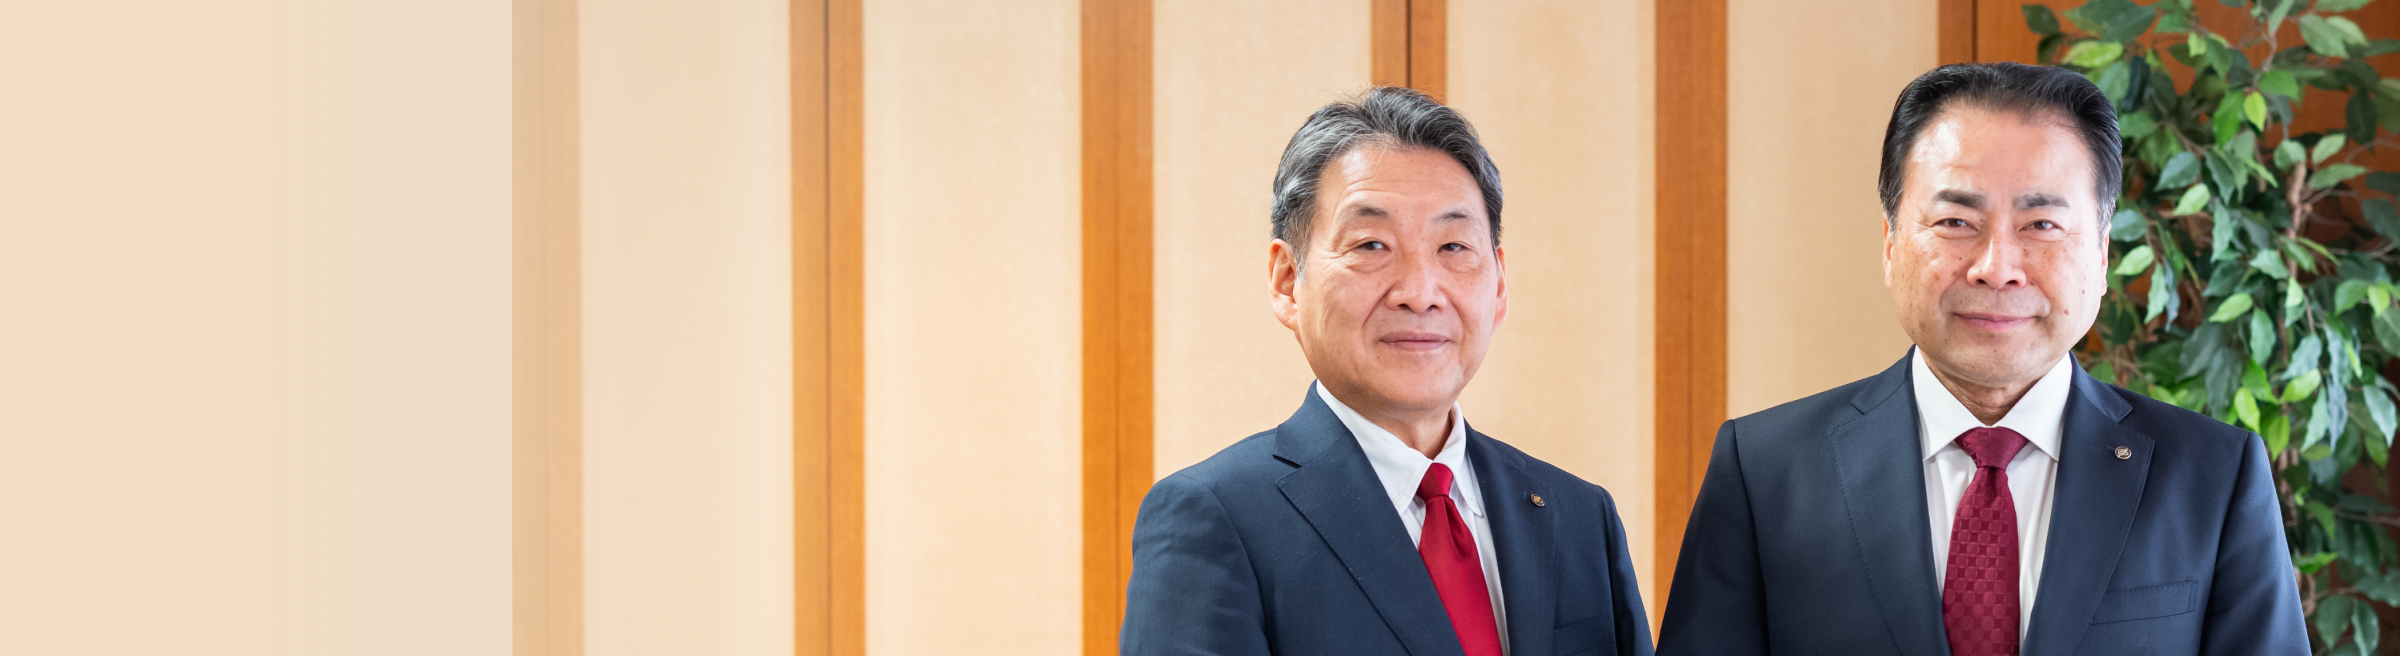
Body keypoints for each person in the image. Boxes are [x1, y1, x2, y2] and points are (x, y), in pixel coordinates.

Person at [1657, 62, 2307, 656]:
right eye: (1955, 222)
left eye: (2041, 224)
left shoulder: (2213, 478)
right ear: (1890, 244)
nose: (1997, 268)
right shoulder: (1764, 473)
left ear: (2103, 253)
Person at [1120, 86, 1653, 656]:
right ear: (1287, 281)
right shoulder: (1215, 518)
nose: (1420, 293)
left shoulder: (1579, 516)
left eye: (1453, 246)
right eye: (1372, 244)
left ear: (1499, 284)